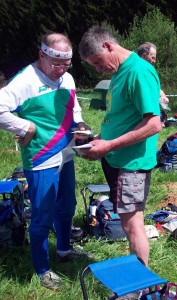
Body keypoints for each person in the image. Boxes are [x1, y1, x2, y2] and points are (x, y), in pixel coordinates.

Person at [0, 33, 91, 290]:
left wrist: (81, 125)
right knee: (42, 214)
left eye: (66, 64)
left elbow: (74, 110)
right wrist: (24, 125)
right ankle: (42, 269)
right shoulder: (25, 80)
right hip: (41, 157)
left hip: (67, 152)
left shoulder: (67, 78)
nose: (61, 70)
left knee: (67, 206)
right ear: (42, 54)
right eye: (56, 64)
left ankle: (64, 250)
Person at [79, 27, 162, 266]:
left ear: (107, 46)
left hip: (131, 162)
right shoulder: (117, 74)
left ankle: (139, 285)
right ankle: (137, 276)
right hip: (116, 159)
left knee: (133, 223)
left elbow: (153, 124)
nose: (97, 68)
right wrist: (97, 138)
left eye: (97, 62)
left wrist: (109, 145)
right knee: (127, 222)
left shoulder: (139, 71)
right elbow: (121, 117)